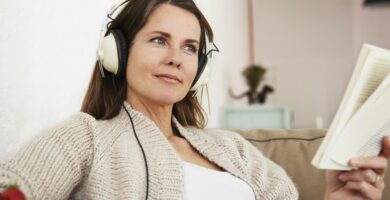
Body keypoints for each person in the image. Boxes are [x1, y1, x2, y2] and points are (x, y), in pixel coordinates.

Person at [0, 0, 389, 199]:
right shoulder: (85, 138)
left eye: (190, 48)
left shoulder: (232, 149)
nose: (175, 57)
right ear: (116, 52)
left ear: (199, 68)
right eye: (158, 40)